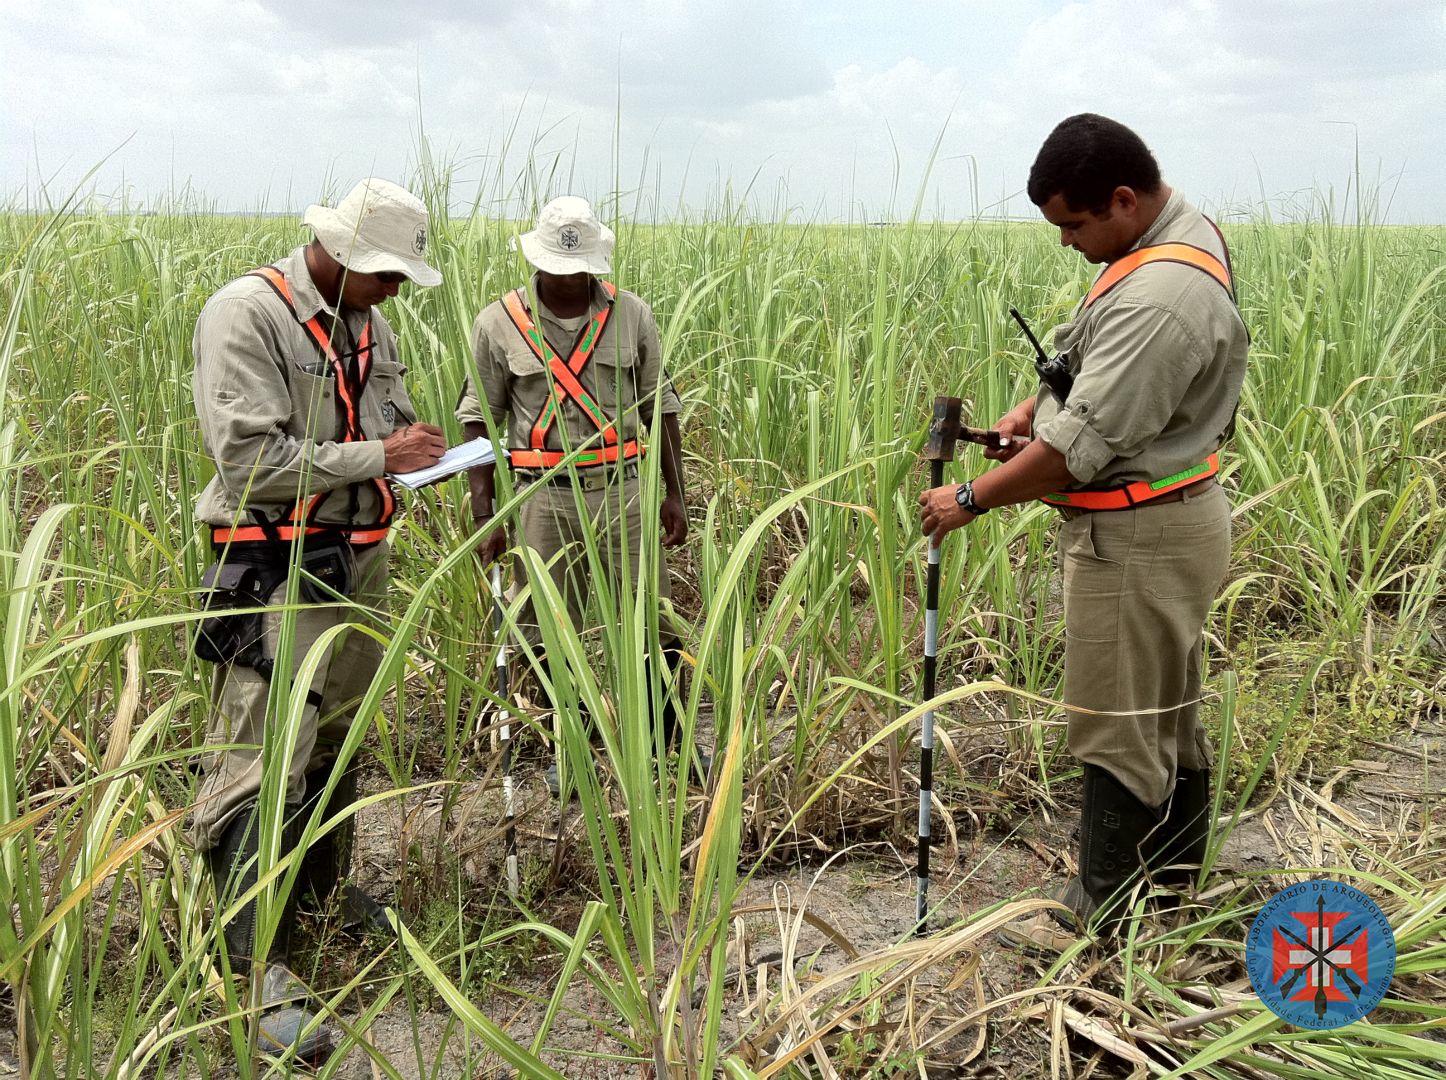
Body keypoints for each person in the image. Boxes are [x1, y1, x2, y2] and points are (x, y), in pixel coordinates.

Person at [917, 114, 1248, 953]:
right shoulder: (1175, 236)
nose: (1066, 243)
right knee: (1167, 711)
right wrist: (1036, 407)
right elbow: (1092, 376)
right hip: (1170, 515)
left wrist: (972, 496)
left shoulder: (1161, 299)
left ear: (1124, 199)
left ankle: (1099, 914)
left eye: (1073, 224)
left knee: (1115, 718)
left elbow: (1069, 459)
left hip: (1137, 536)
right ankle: (1174, 886)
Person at [190, 178, 447, 1063]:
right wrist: (383, 453)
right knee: (263, 755)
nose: (397, 290)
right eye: (386, 274)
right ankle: (251, 972)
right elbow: (251, 459)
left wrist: (413, 453)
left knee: (334, 742)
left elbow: (376, 425)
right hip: (275, 568)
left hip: (354, 564)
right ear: (337, 254)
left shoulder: (366, 322)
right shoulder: (247, 315)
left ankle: (317, 903)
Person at [456, 196, 690, 795]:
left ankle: (664, 745)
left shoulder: (631, 315)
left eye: (581, 265)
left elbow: (661, 406)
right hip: (542, 498)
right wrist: (485, 514)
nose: (570, 276)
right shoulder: (498, 323)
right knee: (546, 627)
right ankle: (573, 745)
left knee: (651, 619)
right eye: (560, 266)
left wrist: (674, 494)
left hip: (624, 492)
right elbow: (478, 419)